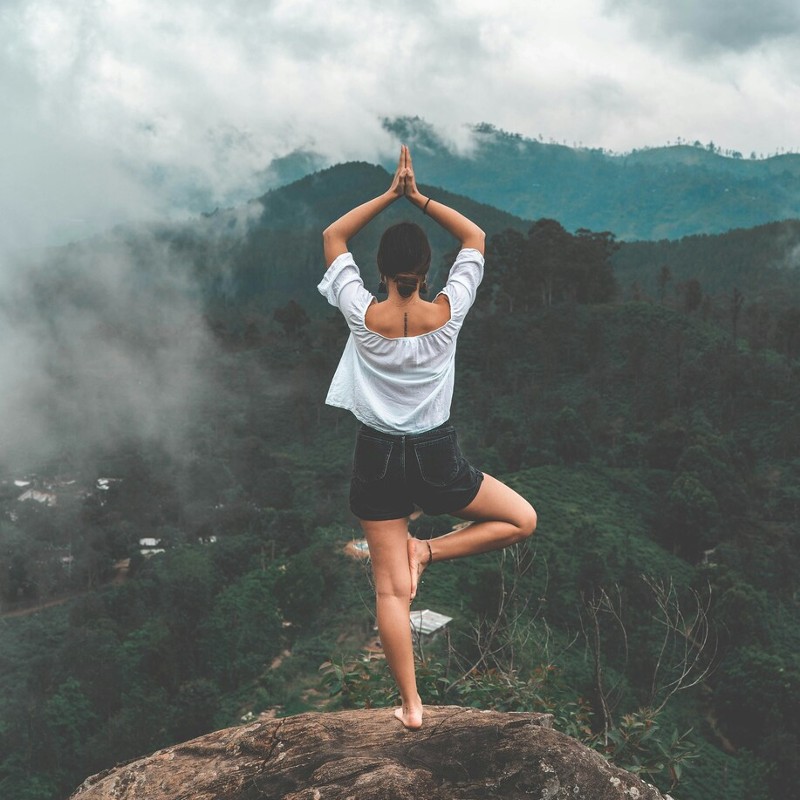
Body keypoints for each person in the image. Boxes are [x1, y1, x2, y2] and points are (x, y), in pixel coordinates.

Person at [319, 145, 537, 730]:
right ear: (426, 270)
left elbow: (333, 237)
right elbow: (477, 238)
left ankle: (412, 707)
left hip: (377, 460)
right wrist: (420, 198)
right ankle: (432, 550)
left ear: (383, 272)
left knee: (392, 594)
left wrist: (389, 195)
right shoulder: (450, 310)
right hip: (438, 458)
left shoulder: (361, 315)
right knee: (522, 520)